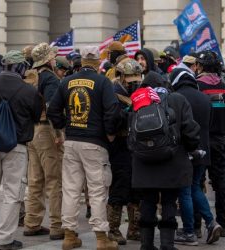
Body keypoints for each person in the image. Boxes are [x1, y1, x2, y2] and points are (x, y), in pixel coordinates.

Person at [47, 46, 121, 250]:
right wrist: (110, 133)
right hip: (95, 143)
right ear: (98, 62)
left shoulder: (67, 81)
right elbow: (112, 111)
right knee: (97, 190)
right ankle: (101, 237)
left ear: (80, 61)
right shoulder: (103, 82)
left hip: (72, 141)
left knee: (71, 189)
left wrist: (63, 128)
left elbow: (53, 109)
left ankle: (69, 235)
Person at [0, 50, 41, 250]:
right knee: (13, 194)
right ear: (21, 67)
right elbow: (36, 116)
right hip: (17, 147)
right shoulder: (29, 91)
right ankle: (4, 238)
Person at [132, 85, 200, 250]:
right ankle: (167, 244)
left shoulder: (139, 99)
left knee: (147, 201)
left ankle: (146, 244)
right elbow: (190, 130)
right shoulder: (177, 99)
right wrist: (192, 149)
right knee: (169, 202)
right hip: (172, 161)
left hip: (144, 163)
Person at [170, 68, 222, 246]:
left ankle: (189, 231)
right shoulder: (204, 97)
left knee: (185, 191)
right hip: (204, 150)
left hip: (185, 151)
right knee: (195, 188)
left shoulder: (176, 97)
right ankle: (210, 222)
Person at [23, 43, 65, 240]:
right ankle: (57, 225)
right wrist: (59, 133)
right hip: (46, 130)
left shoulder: (29, 76)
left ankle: (32, 222)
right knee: (54, 180)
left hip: (31, 131)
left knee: (35, 180)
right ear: (48, 59)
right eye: (53, 56)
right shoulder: (50, 78)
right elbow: (51, 108)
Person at [196, 50, 225, 237]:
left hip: (199, 142)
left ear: (201, 66)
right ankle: (223, 224)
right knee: (220, 183)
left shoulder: (196, 88)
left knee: (196, 184)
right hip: (219, 141)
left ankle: (196, 226)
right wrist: (223, 128)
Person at [107, 58, 143, 245]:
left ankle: (134, 229)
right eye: (129, 79)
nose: (133, 83)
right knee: (119, 189)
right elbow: (111, 121)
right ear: (121, 77)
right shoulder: (112, 93)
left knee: (136, 189)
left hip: (135, 146)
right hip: (119, 146)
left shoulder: (139, 91)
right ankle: (113, 229)